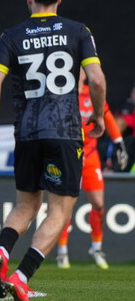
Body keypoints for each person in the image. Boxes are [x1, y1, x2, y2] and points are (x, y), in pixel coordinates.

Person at [0, 0, 106, 301]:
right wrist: (97, 115)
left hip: (27, 133)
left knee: (25, 205)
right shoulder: (79, 32)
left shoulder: (12, 36)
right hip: (64, 132)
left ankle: (1, 250)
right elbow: (96, 80)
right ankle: (21, 277)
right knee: (59, 211)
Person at [55, 70, 128, 270]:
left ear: (84, 74)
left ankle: (96, 249)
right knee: (65, 206)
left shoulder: (92, 93)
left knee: (98, 204)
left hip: (90, 156)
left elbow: (107, 116)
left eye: (80, 69)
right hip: (69, 156)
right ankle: (62, 252)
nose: (77, 72)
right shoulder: (61, 93)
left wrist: (119, 142)